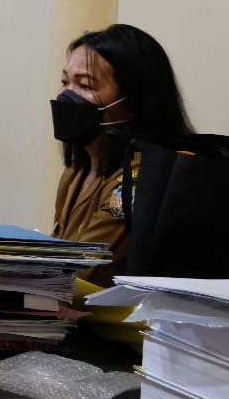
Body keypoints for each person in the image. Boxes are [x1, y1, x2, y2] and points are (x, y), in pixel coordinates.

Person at [50, 23, 194, 284]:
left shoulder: (137, 181)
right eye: (65, 82)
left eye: (85, 85)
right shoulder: (78, 170)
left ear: (132, 103)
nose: (66, 96)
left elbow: (82, 272)